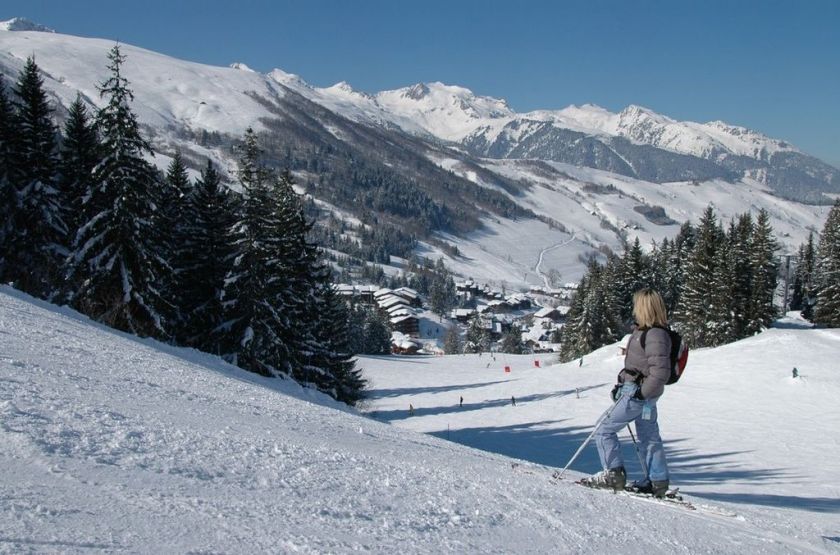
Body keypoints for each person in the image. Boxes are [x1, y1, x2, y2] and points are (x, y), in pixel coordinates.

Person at [582, 288, 671, 498]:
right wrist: (622, 384)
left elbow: (660, 372)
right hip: (639, 391)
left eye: (637, 305)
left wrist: (641, 393)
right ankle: (657, 481)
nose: (634, 309)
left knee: (603, 429)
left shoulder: (654, 334)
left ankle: (613, 474)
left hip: (639, 393)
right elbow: (640, 366)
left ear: (644, 308)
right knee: (648, 436)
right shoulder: (649, 331)